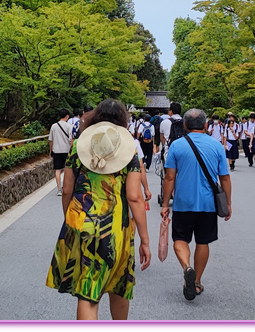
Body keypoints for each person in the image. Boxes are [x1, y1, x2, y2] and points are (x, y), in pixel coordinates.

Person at [46, 99, 151, 320]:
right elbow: (134, 197)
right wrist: (145, 239)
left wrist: (70, 220)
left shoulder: (78, 146)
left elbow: (67, 190)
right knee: (119, 285)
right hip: (115, 227)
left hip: (80, 221)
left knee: (88, 292)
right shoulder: (129, 149)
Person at [160, 108, 231, 301]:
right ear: (206, 125)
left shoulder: (176, 145)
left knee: (180, 239)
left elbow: (169, 177)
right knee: (203, 241)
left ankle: (186, 267)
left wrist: (165, 203)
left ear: (184, 126)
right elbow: (224, 178)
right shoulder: (216, 146)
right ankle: (197, 282)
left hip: (184, 203)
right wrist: (228, 203)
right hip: (208, 204)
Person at [49, 108, 74, 195]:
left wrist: (50, 150)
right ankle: (67, 188)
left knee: (58, 170)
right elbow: (71, 139)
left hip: (57, 150)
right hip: (67, 150)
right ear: (67, 116)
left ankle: (59, 189)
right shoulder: (69, 126)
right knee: (68, 169)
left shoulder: (53, 126)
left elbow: (51, 140)